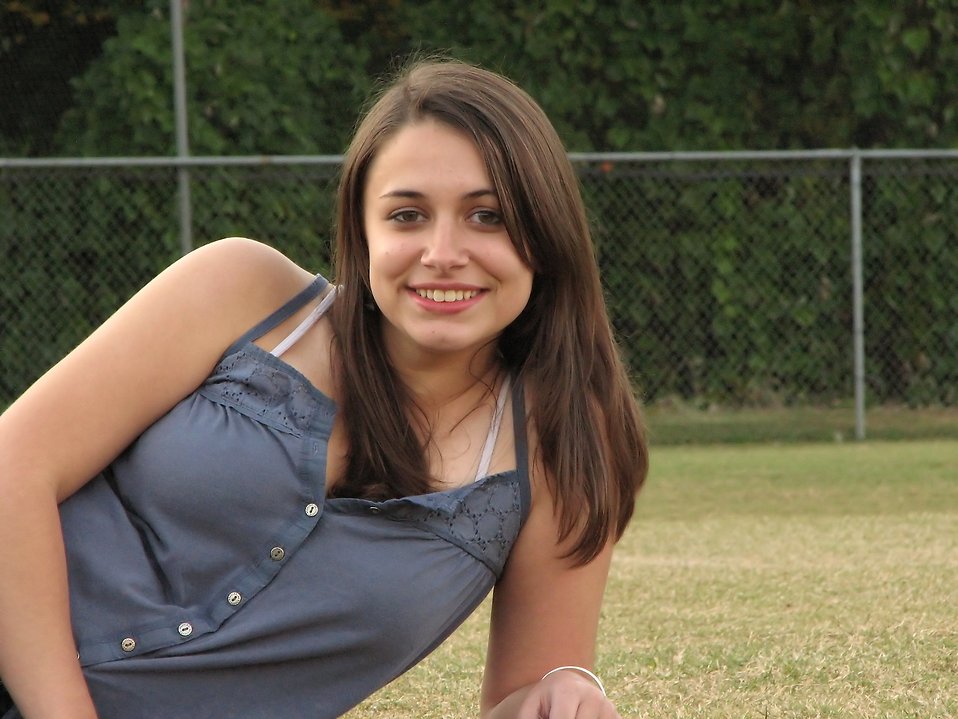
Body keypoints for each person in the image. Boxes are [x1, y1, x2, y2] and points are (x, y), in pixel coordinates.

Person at [0, 58, 647, 718]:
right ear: (361, 232)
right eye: (407, 215)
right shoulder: (240, 291)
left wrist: (560, 690)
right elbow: (13, 466)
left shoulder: (562, 440)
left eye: (488, 216)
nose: (444, 251)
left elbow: (523, 696)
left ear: (545, 233)